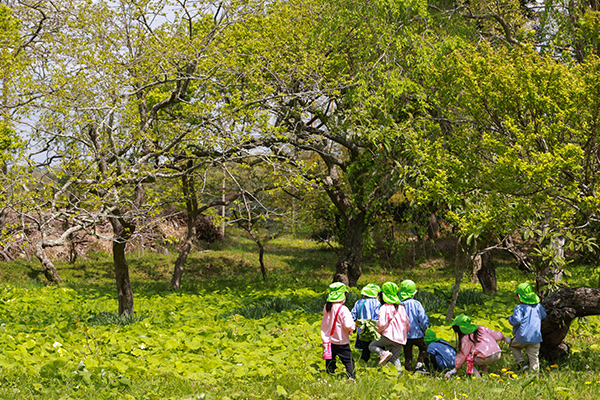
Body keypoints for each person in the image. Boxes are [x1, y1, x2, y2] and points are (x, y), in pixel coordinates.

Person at [445, 314, 510, 378]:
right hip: (497, 353)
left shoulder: (466, 338)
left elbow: (463, 355)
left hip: (486, 356)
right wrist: (504, 338)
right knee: (479, 356)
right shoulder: (480, 328)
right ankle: (484, 373)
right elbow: (495, 334)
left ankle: (477, 378)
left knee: (470, 361)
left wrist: (456, 368)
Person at [368, 282, 410, 374]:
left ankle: (383, 353)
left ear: (382, 294)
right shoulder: (401, 307)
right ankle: (398, 374)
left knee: (372, 346)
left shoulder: (384, 307)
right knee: (396, 357)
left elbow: (382, 323)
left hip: (389, 336)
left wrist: (377, 331)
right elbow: (407, 323)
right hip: (400, 338)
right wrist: (405, 333)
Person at [320, 282, 356, 381]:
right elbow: (348, 325)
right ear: (343, 296)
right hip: (341, 340)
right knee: (348, 360)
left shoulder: (327, 306)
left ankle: (330, 376)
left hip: (328, 340)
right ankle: (351, 377)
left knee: (330, 360)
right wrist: (354, 327)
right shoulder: (343, 309)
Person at [508, 282, 547, 372]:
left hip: (522, 336)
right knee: (534, 357)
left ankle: (521, 362)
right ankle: (534, 375)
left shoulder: (519, 308)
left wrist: (510, 318)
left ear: (519, 296)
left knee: (514, 347)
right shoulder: (538, 306)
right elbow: (544, 315)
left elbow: (516, 320)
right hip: (535, 338)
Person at [398, 279, 430, 374]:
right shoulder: (416, 304)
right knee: (423, 349)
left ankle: (408, 369)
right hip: (417, 333)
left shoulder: (399, 304)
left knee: (407, 353)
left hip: (404, 335)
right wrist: (424, 329)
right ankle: (419, 366)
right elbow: (423, 318)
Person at [350, 283, 381, 363]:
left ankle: (362, 365)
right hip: (374, 331)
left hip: (362, 331)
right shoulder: (376, 303)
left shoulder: (359, 302)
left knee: (365, 351)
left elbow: (352, 315)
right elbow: (378, 316)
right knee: (379, 348)